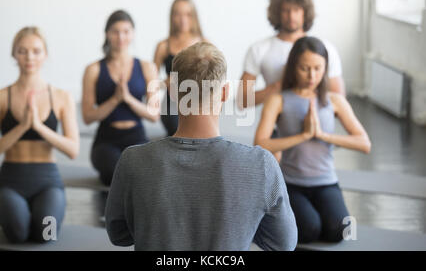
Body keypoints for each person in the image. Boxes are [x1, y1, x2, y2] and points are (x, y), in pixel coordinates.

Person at [106, 42, 298, 251]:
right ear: (225, 93)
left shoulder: (133, 161)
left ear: (172, 91)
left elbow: (119, 235)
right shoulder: (262, 165)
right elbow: (283, 244)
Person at [254, 36, 371, 244]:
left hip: (327, 182)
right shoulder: (278, 99)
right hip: (292, 183)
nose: (311, 75)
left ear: (326, 68)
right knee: (309, 230)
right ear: (293, 67)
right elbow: (260, 143)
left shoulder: (334, 101)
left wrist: (322, 136)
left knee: (339, 231)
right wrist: (303, 136)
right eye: (304, 68)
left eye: (318, 68)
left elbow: (364, 143)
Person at [0, 27, 80, 243]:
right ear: (13, 54)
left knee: (47, 235)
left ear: (45, 54)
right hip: (9, 181)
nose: (29, 57)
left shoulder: (62, 97)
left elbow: (73, 150)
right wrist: (22, 126)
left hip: (48, 181)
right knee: (18, 234)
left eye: (36, 51)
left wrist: (38, 126)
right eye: (22, 51)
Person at [238, 0, 345, 110]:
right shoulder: (258, 49)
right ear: (277, 12)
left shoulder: (325, 48)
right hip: (276, 124)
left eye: (296, 10)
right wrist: (281, 85)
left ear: (305, 12)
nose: (291, 16)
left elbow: (339, 100)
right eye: (285, 10)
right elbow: (242, 100)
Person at [82, 10, 160, 186]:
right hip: (106, 138)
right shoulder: (93, 70)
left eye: (126, 31)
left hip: (136, 137)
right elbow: (87, 117)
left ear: (133, 33)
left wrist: (128, 98)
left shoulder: (147, 67)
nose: (121, 37)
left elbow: (154, 115)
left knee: (141, 173)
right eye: (115, 31)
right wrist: (115, 100)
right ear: (107, 34)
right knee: (115, 169)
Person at [153, 0, 206, 136]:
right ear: (172, 17)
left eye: (188, 14)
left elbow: (215, 79)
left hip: (197, 102)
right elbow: (151, 84)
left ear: (194, 16)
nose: (183, 19)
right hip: (172, 105)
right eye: (178, 14)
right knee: (177, 130)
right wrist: (166, 81)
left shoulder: (205, 44)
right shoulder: (163, 46)